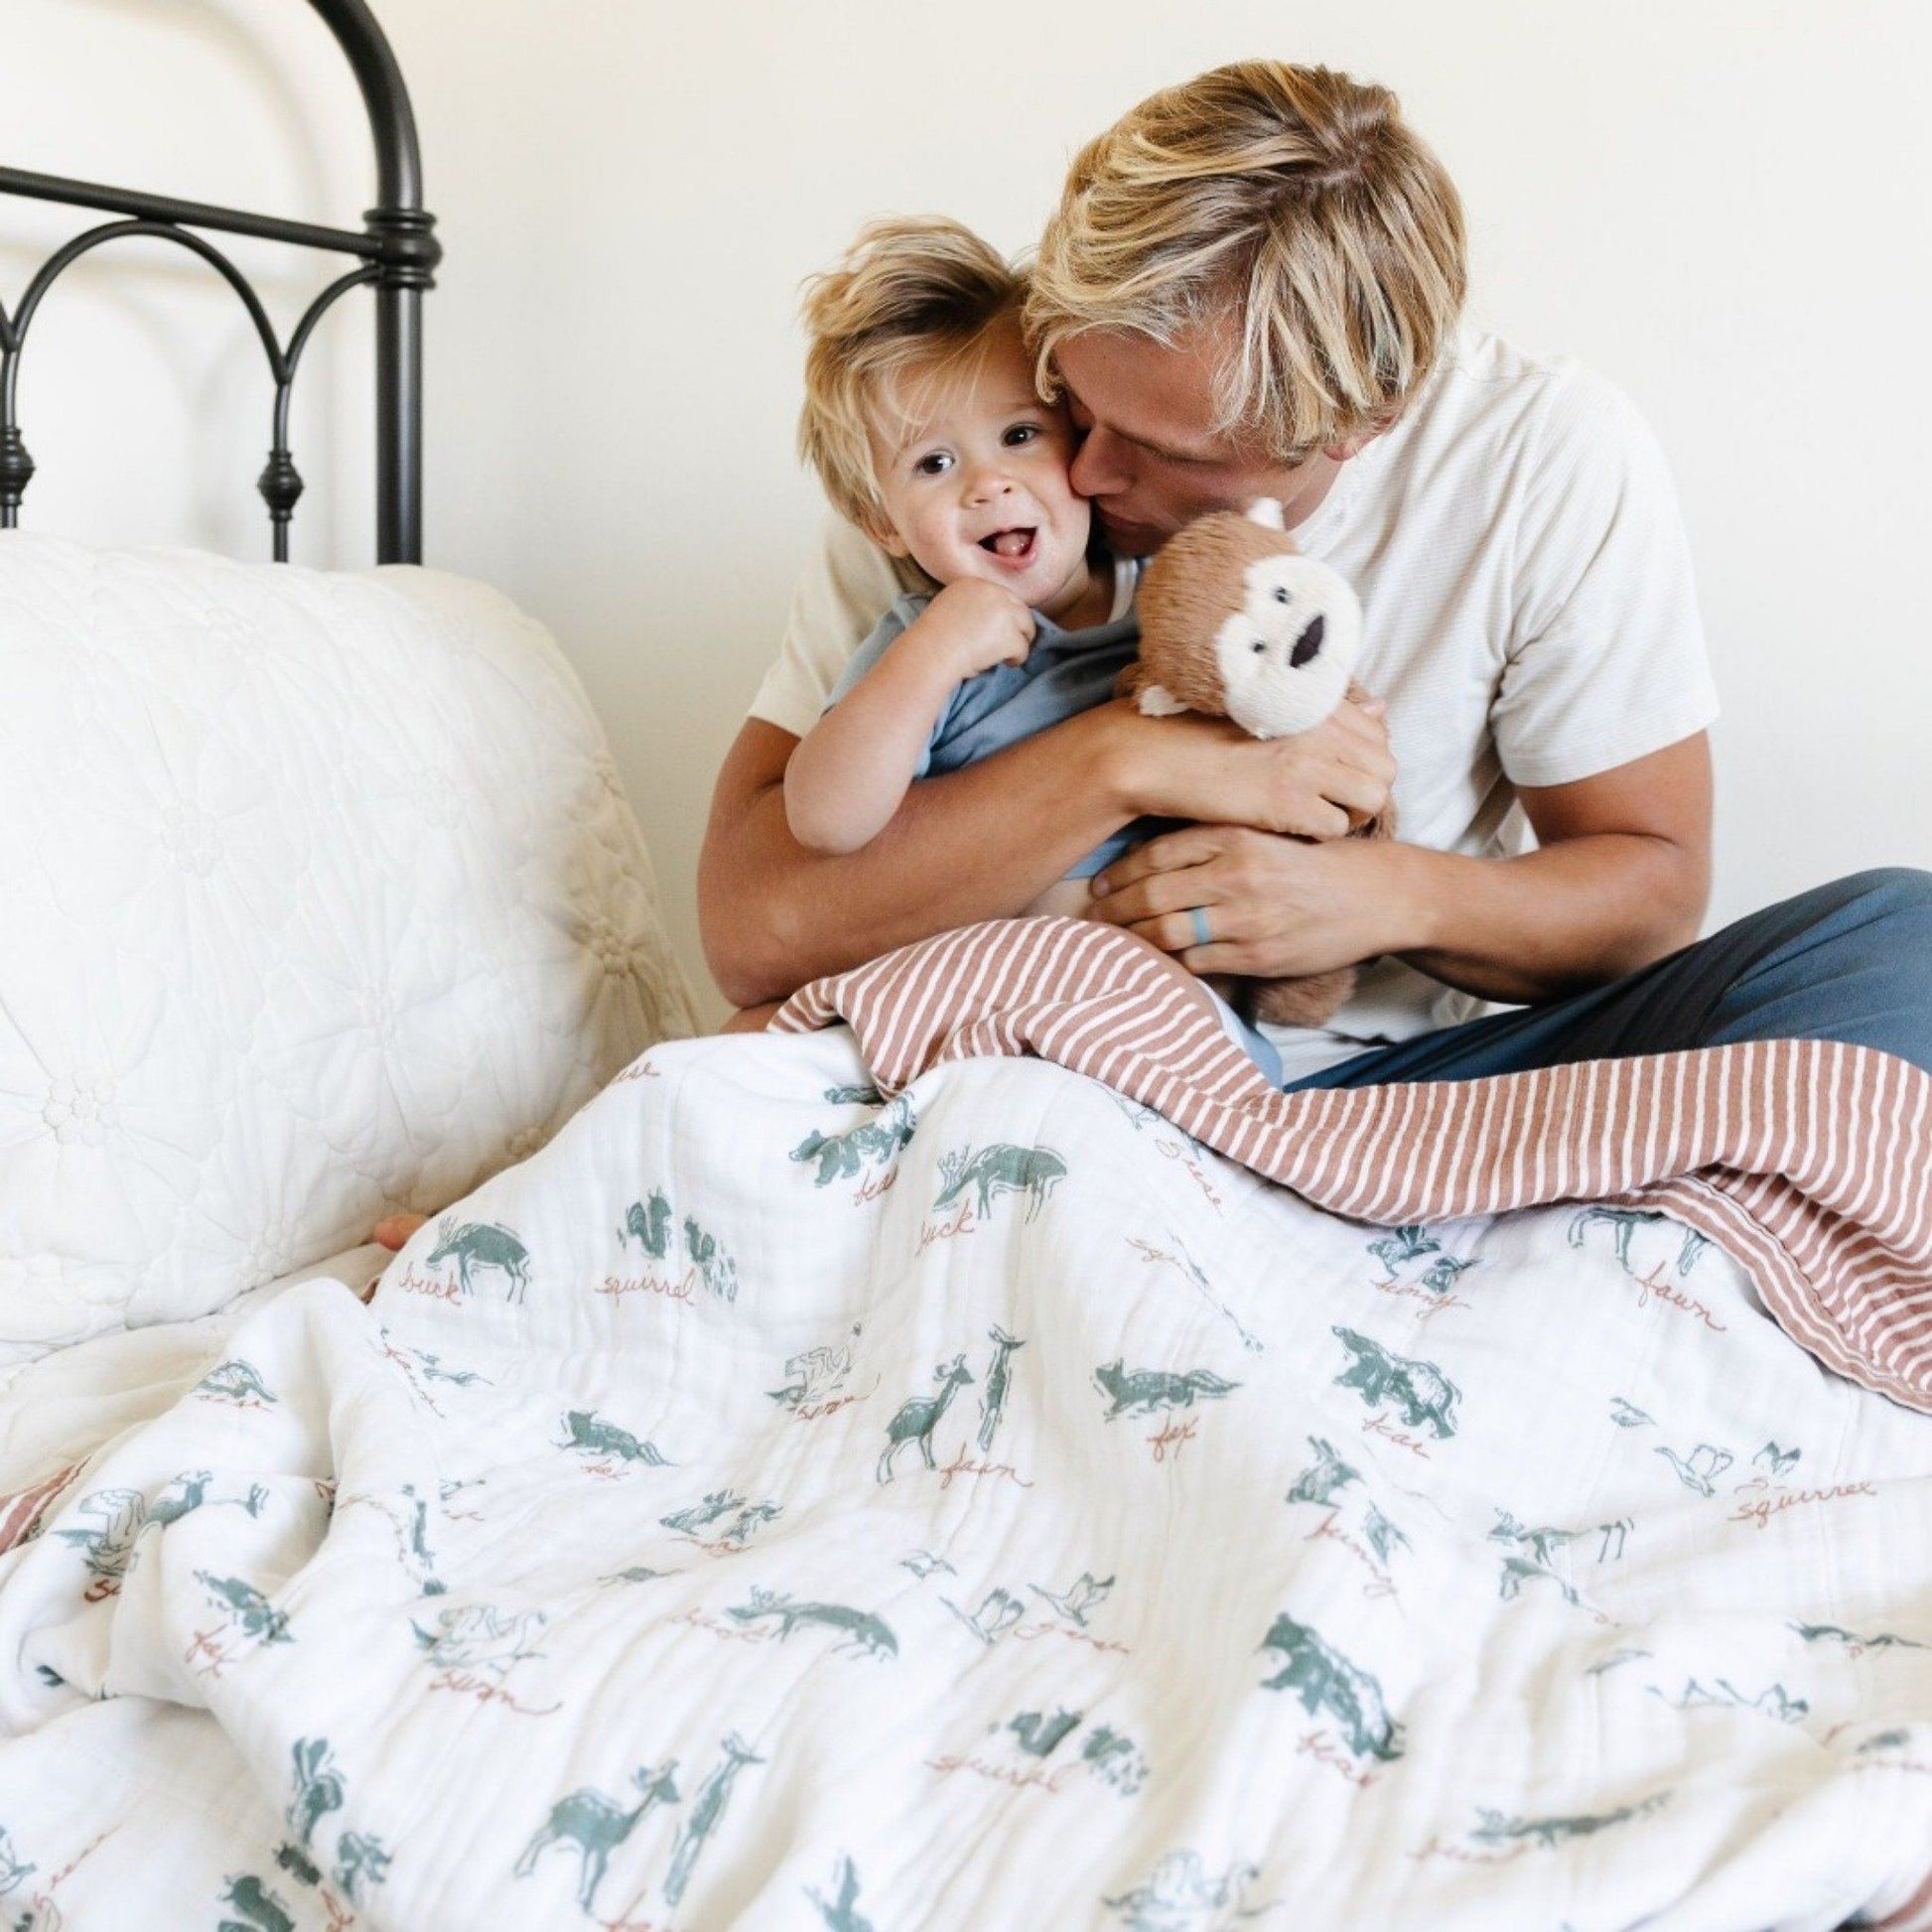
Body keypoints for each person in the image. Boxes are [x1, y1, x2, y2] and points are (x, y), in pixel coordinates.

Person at [705, 59, 1931, 1089]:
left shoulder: (1537, 456)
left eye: (1163, 450)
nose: (1076, 468)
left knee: (1898, 940)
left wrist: (1384, 897)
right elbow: (754, 930)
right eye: (1068, 397)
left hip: (1379, 1079)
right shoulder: (965, 465)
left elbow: (1651, 892)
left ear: (1357, 424)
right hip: (1029, 1050)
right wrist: (1121, 758)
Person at [778, 215, 1291, 1078]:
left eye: (1020, 436)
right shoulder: (921, 643)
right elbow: (825, 822)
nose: (989, 483)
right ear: (880, 522)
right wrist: (934, 654)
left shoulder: (1170, 594)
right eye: (933, 464)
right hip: (982, 1011)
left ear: (1081, 441)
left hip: (1161, 1013)